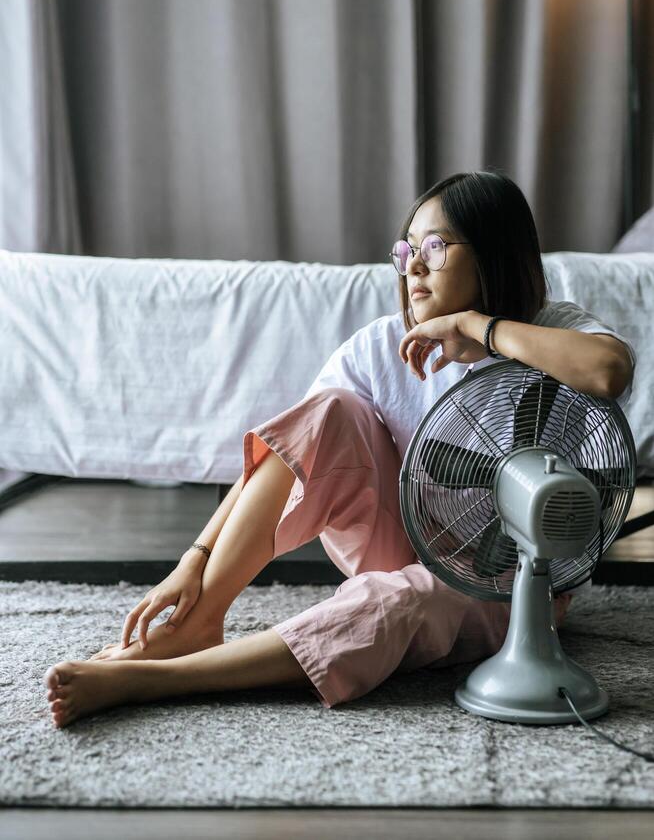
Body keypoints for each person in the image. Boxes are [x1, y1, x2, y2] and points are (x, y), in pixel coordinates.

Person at [44, 170, 636, 729]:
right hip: (401, 535)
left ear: (494, 251)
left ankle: (161, 682)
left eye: (434, 249)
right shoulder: (382, 345)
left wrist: (480, 327)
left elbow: (607, 371)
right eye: (405, 252)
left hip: (507, 584)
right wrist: (194, 562)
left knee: (397, 601)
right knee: (330, 410)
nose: (413, 269)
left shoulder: (550, 329)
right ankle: (200, 622)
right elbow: (287, 455)